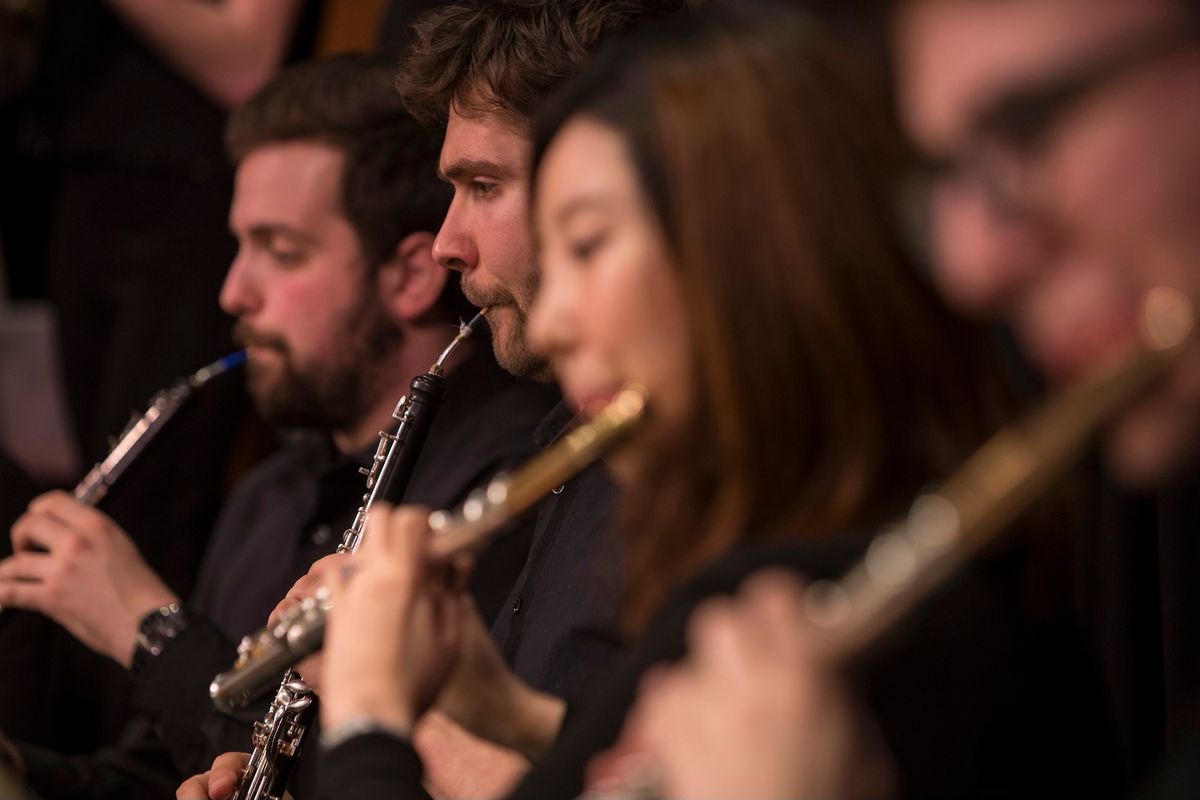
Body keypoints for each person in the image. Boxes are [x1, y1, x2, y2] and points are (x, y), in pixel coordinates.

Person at [178, 6, 1122, 800]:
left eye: (588, 244)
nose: (560, 317)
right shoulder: (739, 547)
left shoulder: (855, 601)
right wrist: (479, 703)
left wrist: (376, 718)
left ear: (732, 254)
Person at [0, 53, 557, 800]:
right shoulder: (268, 495)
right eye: (239, 247)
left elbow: (388, 771)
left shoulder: (510, 487)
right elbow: (153, 772)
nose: (234, 292)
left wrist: (150, 628)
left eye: (281, 251)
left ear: (410, 275)